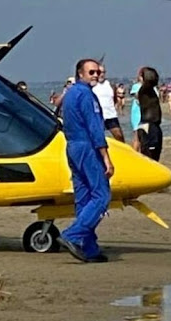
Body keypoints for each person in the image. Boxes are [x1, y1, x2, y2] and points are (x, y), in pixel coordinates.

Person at [57, 58, 114, 263]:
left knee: (84, 198)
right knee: (101, 195)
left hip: (73, 146)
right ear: (80, 73)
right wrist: (106, 158)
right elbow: (95, 128)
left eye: (98, 72)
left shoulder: (70, 94)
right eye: (92, 72)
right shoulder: (86, 95)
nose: (96, 75)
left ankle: (89, 247)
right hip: (86, 146)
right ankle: (72, 235)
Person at [134, 67, 163, 161]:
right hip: (148, 125)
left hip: (153, 125)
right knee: (149, 155)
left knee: (155, 153)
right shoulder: (144, 90)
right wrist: (144, 72)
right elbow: (150, 80)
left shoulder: (151, 90)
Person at [92, 65, 124, 142]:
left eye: (103, 72)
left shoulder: (110, 85)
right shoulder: (92, 85)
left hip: (111, 115)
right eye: (100, 72)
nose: (102, 74)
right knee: (98, 139)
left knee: (119, 136)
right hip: (98, 116)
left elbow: (115, 99)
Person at [130, 69, 143, 149]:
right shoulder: (136, 86)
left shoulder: (152, 87)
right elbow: (137, 96)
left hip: (148, 113)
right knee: (137, 136)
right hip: (137, 113)